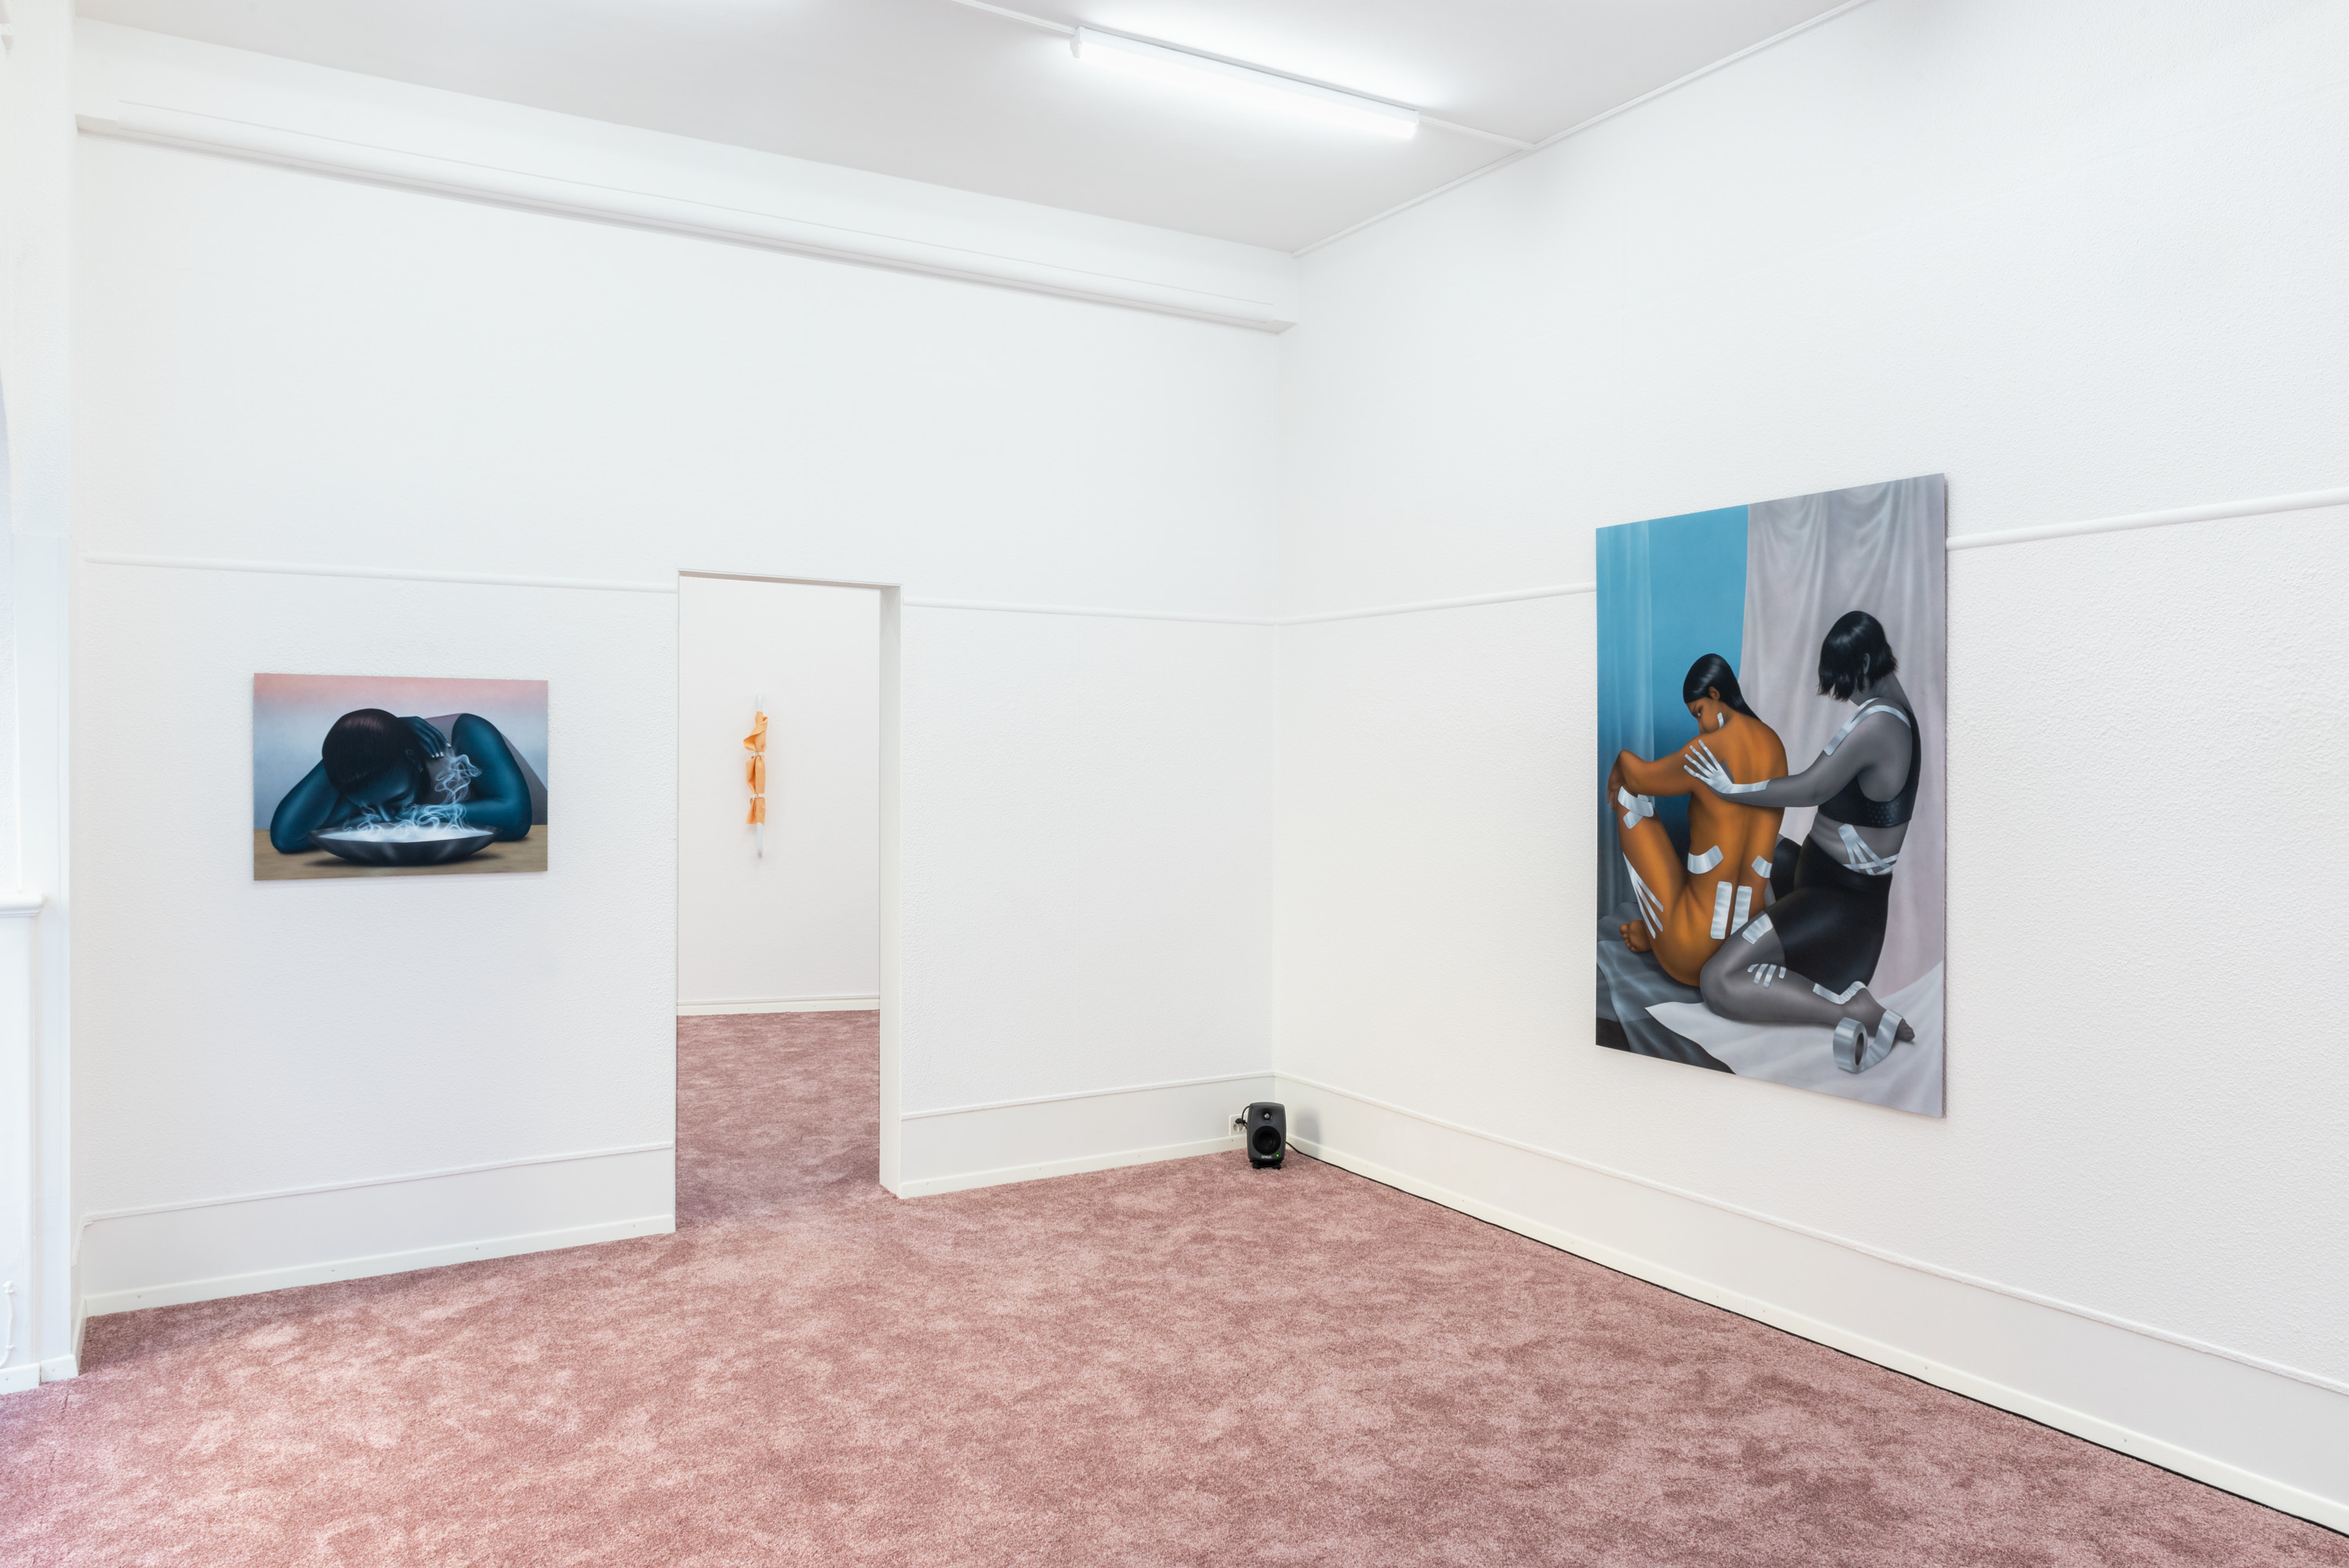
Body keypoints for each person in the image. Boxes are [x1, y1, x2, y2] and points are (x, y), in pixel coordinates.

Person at [1682, 611, 1919, 1073]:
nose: (1847, 696)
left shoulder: (1885, 726)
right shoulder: (1881, 713)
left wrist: (1734, 790)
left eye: (1846, 684)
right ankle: (1771, 945)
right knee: (1750, 848)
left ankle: (1849, 1009)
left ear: (1865, 662)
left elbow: (1812, 787)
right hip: (1819, 884)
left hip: (1841, 914)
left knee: (1718, 981)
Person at [1606, 654, 1788, 987]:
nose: (1700, 726)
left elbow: (1639, 777)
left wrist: (1621, 760)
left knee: (1629, 795)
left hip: (1689, 955)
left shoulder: (1706, 751)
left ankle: (1662, 938)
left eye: (1699, 712)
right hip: (1748, 953)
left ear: (1715, 694)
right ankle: (1659, 934)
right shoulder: (1774, 745)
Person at [269, 708, 534, 853]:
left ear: (414, 760)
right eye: (369, 808)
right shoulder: (366, 783)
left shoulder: (465, 732)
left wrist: (417, 814)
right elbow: (287, 839)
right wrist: (343, 752)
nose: (387, 817)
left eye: (397, 799)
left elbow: (515, 818)